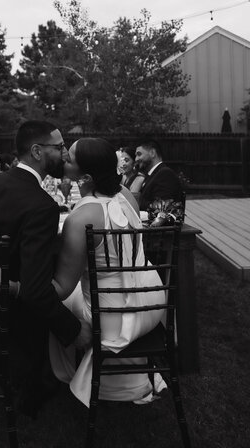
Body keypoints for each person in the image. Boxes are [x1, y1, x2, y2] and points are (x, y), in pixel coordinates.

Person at [0, 120, 91, 415]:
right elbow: (36, 291)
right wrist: (75, 331)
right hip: (1, 333)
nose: (64, 153)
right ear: (37, 151)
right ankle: (34, 386)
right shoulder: (41, 205)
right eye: (59, 147)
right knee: (43, 298)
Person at [47, 138, 167, 406]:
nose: (64, 157)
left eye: (70, 158)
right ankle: (130, 380)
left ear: (86, 176)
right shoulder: (125, 195)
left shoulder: (80, 218)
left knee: (58, 306)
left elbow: (63, 286)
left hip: (114, 320)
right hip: (152, 301)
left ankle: (70, 376)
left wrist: (21, 287)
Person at [135, 139, 183, 211]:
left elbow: (162, 208)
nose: (136, 159)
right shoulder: (153, 174)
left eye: (139, 154)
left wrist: (136, 201)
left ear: (152, 153)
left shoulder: (165, 174)